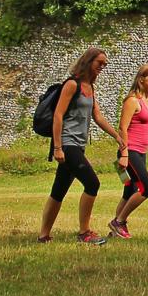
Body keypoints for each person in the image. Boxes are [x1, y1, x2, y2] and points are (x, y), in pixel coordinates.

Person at [38, 47, 124, 244]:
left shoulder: (89, 88)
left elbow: (97, 116)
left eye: (105, 64)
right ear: (88, 61)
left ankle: (43, 236)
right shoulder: (71, 85)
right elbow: (58, 116)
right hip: (68, 145)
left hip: (78, 145)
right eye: (99, 63)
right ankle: (84, 232)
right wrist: (58, 148)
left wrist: (117, 137)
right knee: (92, 183)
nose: (102, 67)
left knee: (58, 191)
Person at [109, 64, 148, 240]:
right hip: (127, 154)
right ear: (141, 80)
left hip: (140, 153)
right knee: (146, 188)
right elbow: (122, 128)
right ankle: (119, 222)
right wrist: (123, 155)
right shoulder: (132, 101)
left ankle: (115, 229)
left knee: (129, 191)